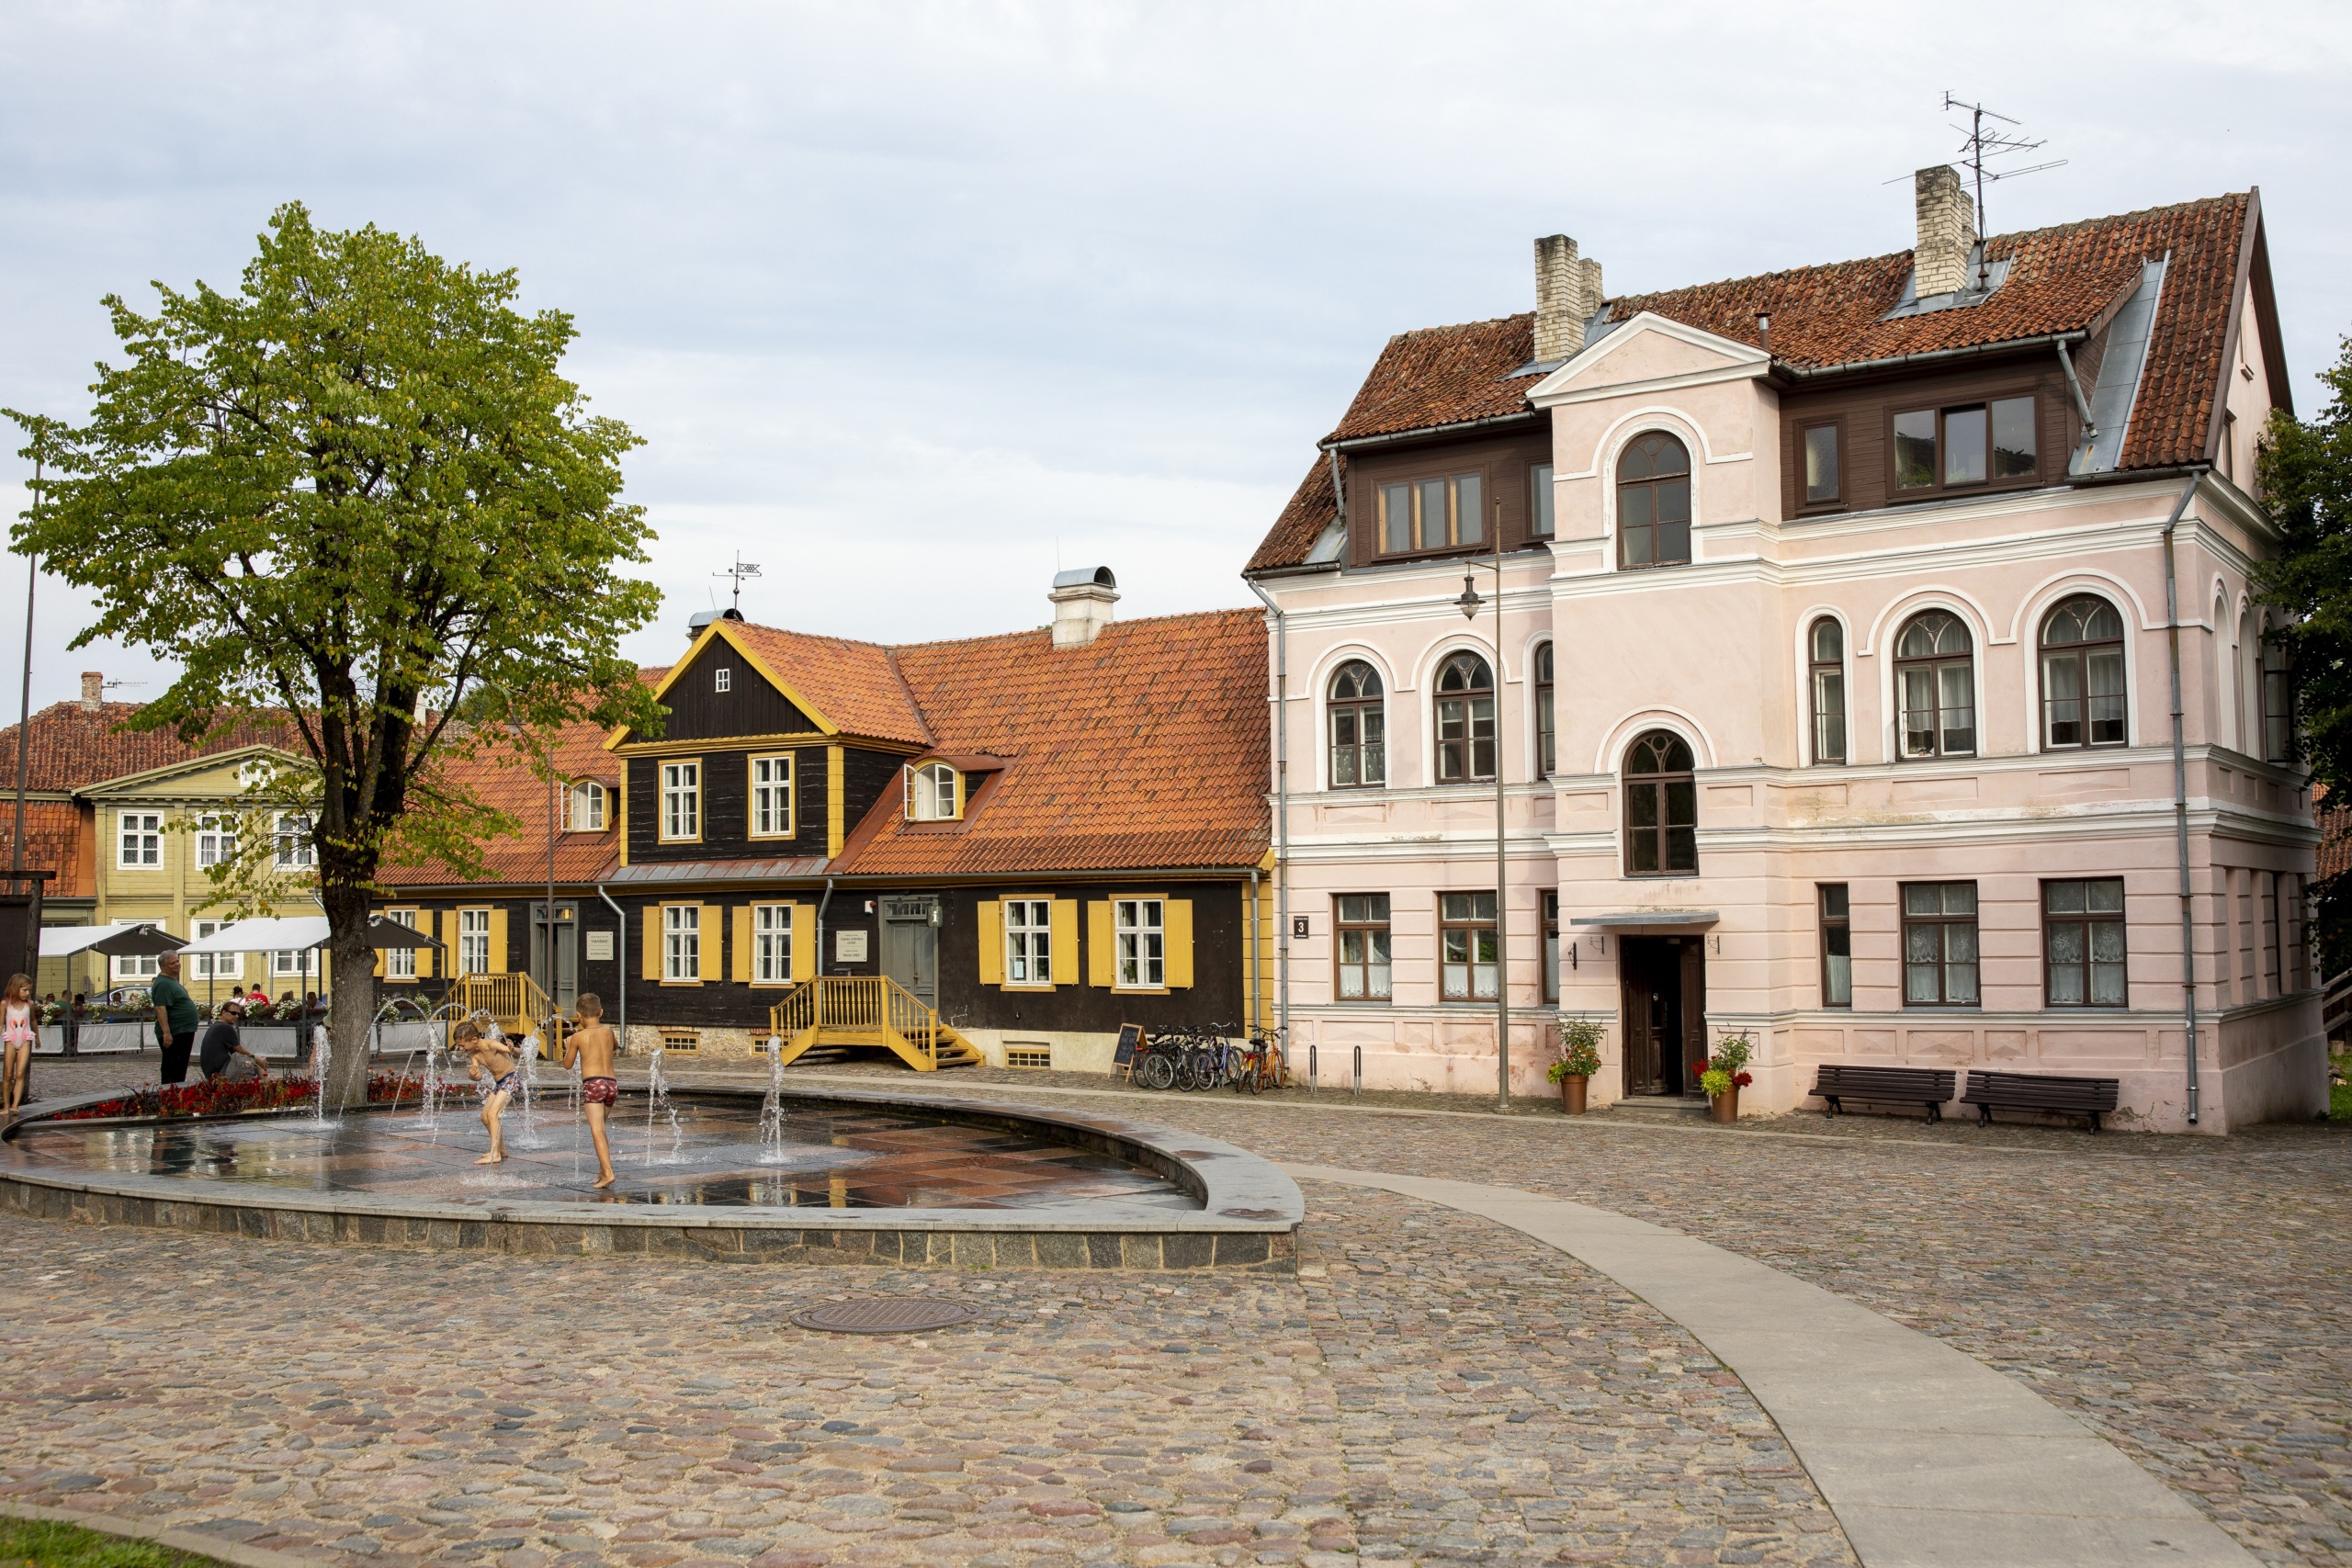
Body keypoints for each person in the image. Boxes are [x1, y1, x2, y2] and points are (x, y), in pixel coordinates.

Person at [559, 994, 620, 1189]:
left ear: (579, 1015)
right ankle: (603, 1171)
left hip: (593, 1084)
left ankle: (609, 1173)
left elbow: (567, 1065)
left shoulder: (578, 1036)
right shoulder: (609, 1031)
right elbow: (615, 1047)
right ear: (600, 1012)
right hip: (611, 1084)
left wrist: (567, 1047)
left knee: (597, 1130)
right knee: (601, 1128)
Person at [453, 1021, 518, 1165]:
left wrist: (513, 1049)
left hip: (511, 1079)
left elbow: (515, 1052)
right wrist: (472, 1074)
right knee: (484, 1117)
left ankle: (495, 1154)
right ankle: (501, 1150)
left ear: (474, 1040)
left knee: (492, 1114)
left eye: (463, 1045)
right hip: (500, 1083)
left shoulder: (491, 1045)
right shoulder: (473, 1053)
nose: (460, 1048)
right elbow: (478, 1076)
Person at [151, 953, 201, 1086]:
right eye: (172, 963)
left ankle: (177, 1093)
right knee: (173, 1066)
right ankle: (170, 1094)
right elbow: (160, 1008)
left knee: (180, 1065)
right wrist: (167, 1033)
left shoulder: (171, 981)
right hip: (175, 1031)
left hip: (183, 1030)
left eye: (177, 961)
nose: (177, 964)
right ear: (163, 966)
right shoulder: (163, 984)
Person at [198, 998, 268, 1081]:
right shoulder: (225, 1027)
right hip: (221, 1071)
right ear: (224, 1012)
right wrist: (257, 1058)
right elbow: (240, 1051)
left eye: (238, 1014)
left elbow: (235, 1052)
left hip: (210, 1071)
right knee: (258, 1063)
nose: (236, 1016)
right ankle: (267, 1086)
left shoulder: (216, 1026)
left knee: (253, 1060)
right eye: (233, 1013)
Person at [2, 973, 36, 1118]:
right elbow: (1, 1023)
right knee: (8, 1074)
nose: (27, 993)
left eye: (29, 990)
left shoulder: (29, 1004)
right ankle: (6, 1105)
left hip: (25, 1039)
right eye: (25, 990)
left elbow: (33, 1020)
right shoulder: (5, 1004)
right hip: (10, 1039)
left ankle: (15, 1105)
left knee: (20, 1073)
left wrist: (38, 1038)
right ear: (15, 988)